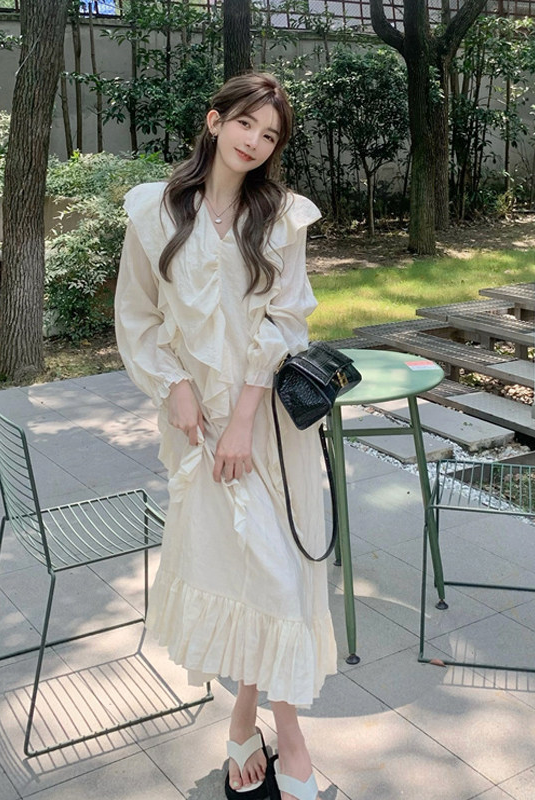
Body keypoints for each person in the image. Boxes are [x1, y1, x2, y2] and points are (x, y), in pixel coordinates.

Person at [115, 73, 336, 800]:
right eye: (246, 123)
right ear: (214, 121)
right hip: (196, 426)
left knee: (278, 574)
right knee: (238, 572)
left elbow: (286, 319)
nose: (255, 141)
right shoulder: (155, 212)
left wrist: (242, 420)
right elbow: (138, 315)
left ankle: (279, 731)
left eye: (270, 135)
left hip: (265, 423)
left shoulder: (281, 218)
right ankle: (247, 719)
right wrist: (173, 388)